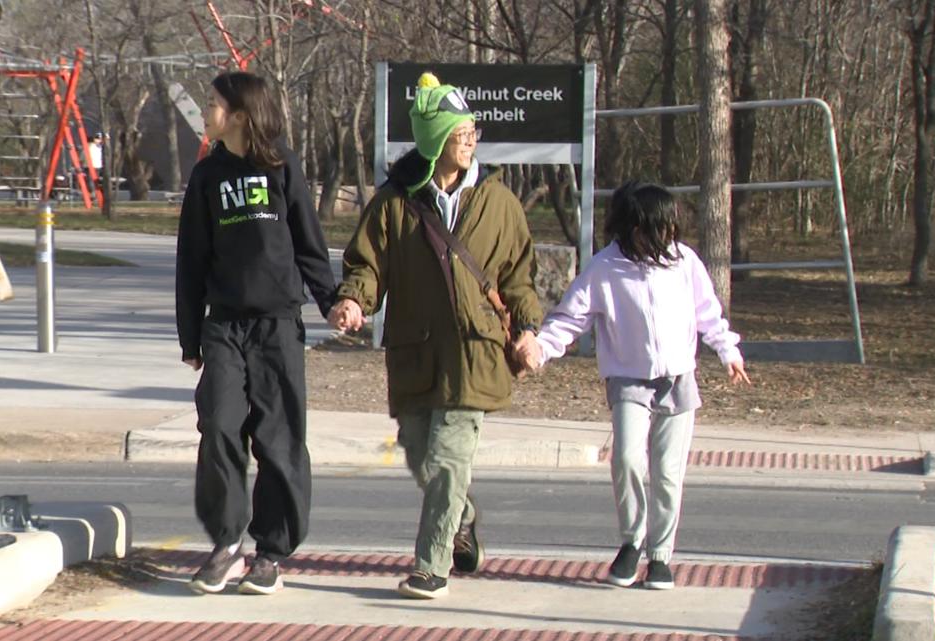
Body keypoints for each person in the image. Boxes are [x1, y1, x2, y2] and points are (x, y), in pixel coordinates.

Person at [328, 72, 543, 600]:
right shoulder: (393, 204)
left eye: (473, 131)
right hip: (415, 354)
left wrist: (530, 329)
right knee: (420, 456)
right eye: (460, 131)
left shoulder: (499, 202)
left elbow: (519, 276)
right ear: (434, 139)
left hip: (476, 353)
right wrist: (354, 299)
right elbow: (367, 264)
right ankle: (462, 518)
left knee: (448, 461)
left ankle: (432, 564)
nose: (471, 140)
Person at [515, 182, 750, 590]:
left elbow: (707, 312)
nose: (664, 237)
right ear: (632, 227)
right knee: (625, 459)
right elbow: (571, 318)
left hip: (678, 378)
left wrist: (728, 350)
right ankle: (632, 541)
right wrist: (542, 348)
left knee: (668, 471)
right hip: (628, 379)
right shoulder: (606, 268)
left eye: (669, 229)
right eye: (655, 228)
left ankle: (660, 556)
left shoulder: (684, 262)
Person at [176, 71, 337, 596]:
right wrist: (190, 338)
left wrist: (332, 302)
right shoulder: (206, 176)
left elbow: (310, 247)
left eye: (214, 104)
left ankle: (270, 552)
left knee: (279, 439)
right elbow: (191, 260)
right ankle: (226, 543)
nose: (206, 111)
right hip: (224, 326)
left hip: (277, 328)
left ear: (240, 115)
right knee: (219, 425)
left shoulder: (283, 166)